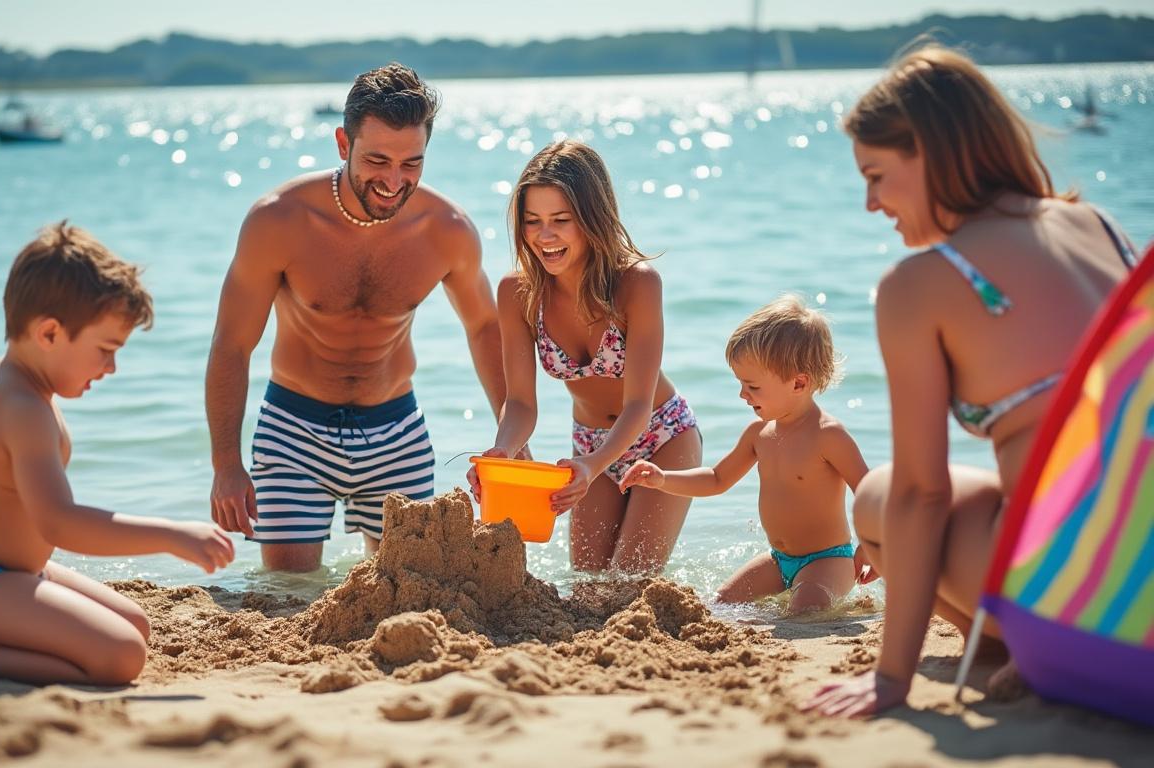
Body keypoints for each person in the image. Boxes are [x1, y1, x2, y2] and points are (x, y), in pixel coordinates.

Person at [805, 45, 1140, 718]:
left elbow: (921, 495)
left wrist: (890, 679)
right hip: (1140, 555)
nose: (871, 203)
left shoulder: (926, 283)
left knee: (877, 495)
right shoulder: (1099, 224)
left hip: (1093, 607)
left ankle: (1012, 644)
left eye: (876, 176)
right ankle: (1006, 646)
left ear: (930, 152)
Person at [0, 223, 235, 685]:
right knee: (120, 655)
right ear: (49, 333)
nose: (111, 367)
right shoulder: (21, 408)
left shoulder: (8, 380)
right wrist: (170, 535)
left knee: (135, 624)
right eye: (105, 350)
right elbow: (59, 523)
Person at [207, 63, 507, 572]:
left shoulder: (447, 230)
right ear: (343, 144)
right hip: (293, 432)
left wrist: (510, 437)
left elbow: (484, 327)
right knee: (289, 594)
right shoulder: (278, 220)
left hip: (397, 431)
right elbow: (233, 345)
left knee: (403, 585)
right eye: (378, 161)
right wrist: (226, 466)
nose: (394, 181)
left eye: (412, 163)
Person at [468, 140, 702, 573]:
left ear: (593, 219)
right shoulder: (517, 293)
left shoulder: (637, 285)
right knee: (589, 587)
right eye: (532, 221)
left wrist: (593, 467)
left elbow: (638, 404)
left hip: (661, 437)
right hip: (589, 444)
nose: (545, 235)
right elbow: (519, 402)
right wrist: (503, 451)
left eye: (561, 220)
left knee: (628, 582)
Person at [620, 296, 874, 612]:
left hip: (828, 559)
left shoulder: (827, 435)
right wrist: (662, 479)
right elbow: (716, 479)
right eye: (741, 384)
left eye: (752, 386)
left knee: (806, 611)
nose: (742, 394)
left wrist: (873, 543)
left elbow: (869, 492)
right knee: (720, 603)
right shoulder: (759, 435)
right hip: (778, 559)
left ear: (798, 383)